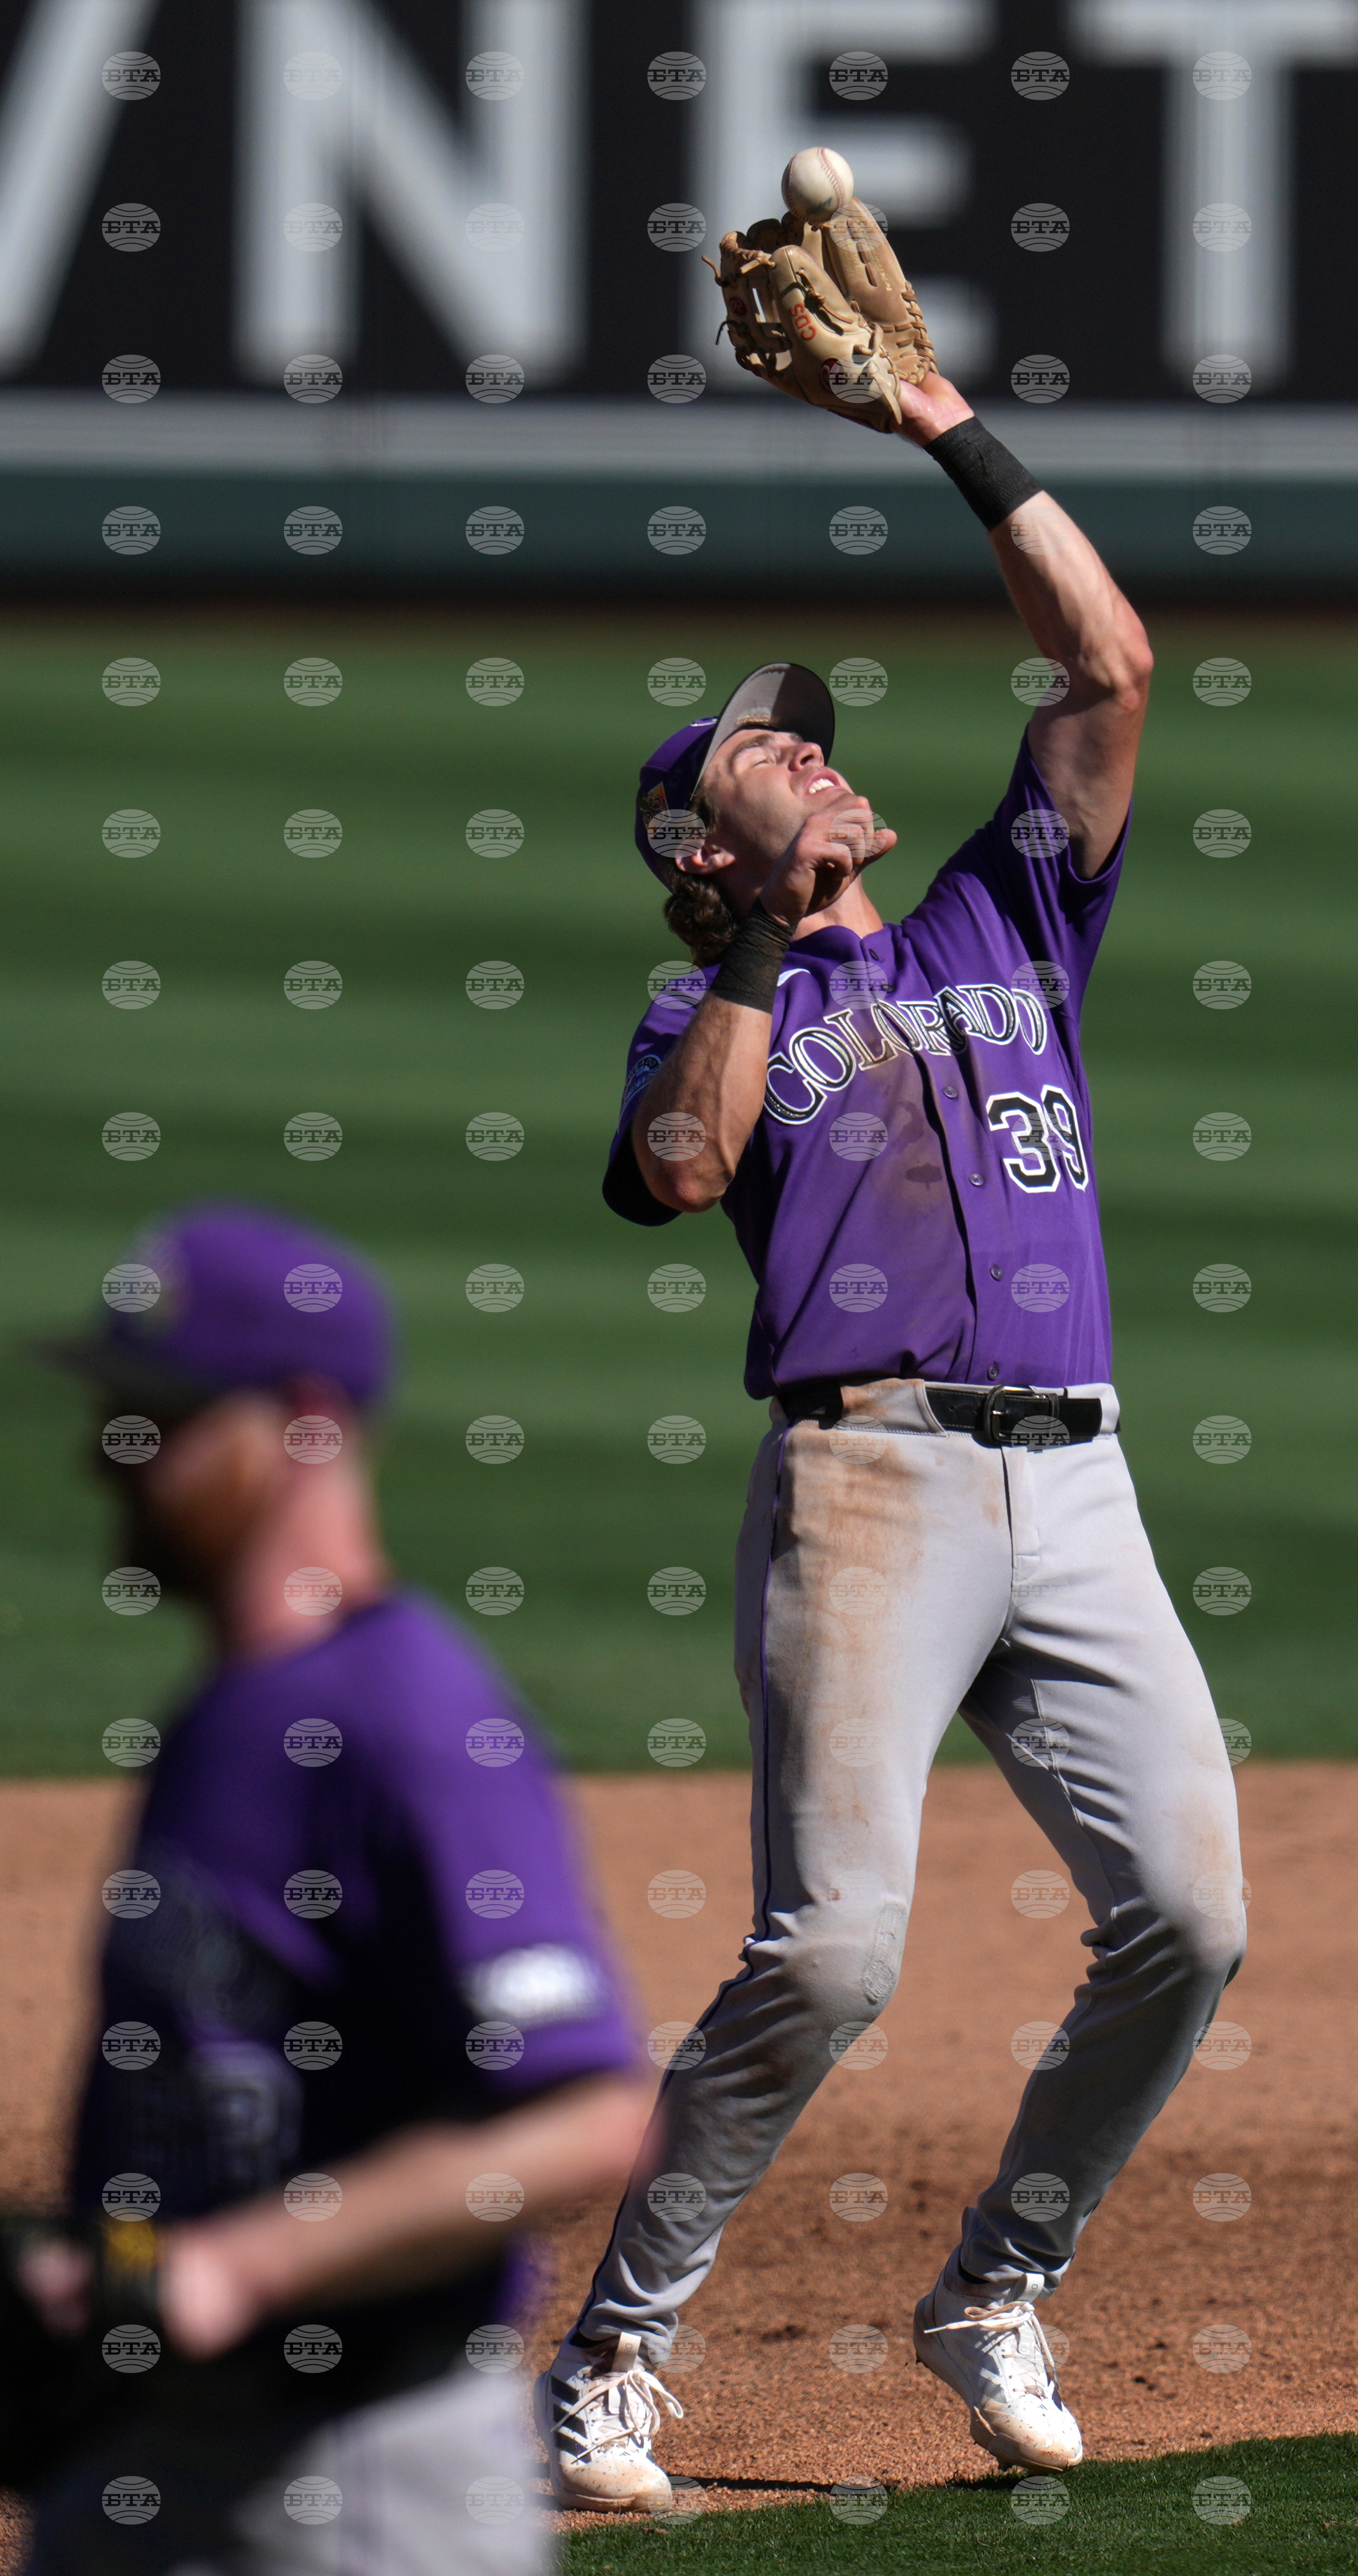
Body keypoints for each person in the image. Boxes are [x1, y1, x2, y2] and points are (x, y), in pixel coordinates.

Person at [535, 365, 1247, 2511]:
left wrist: (945, 423)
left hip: (1082, 1484)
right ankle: (612, 2353)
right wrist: (756, 926)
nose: (815, 754)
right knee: (831, 1954)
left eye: (815, 734)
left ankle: (996, 2284)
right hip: (871, 1491)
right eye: (765, 749)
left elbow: (1106, 661)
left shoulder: (998, 915)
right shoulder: (712, 1004)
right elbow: (677, 1169)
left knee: (1192, 1924)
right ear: (697, 844)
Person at [17, 1204, 650, 2573]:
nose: (111, 1455)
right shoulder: (226, 1712)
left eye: (161, 1419)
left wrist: (233, 2268)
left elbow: (588, 2119)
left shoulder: (409, 1717)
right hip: (156, 2452)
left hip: (358, 2473)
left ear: (305, 1422)